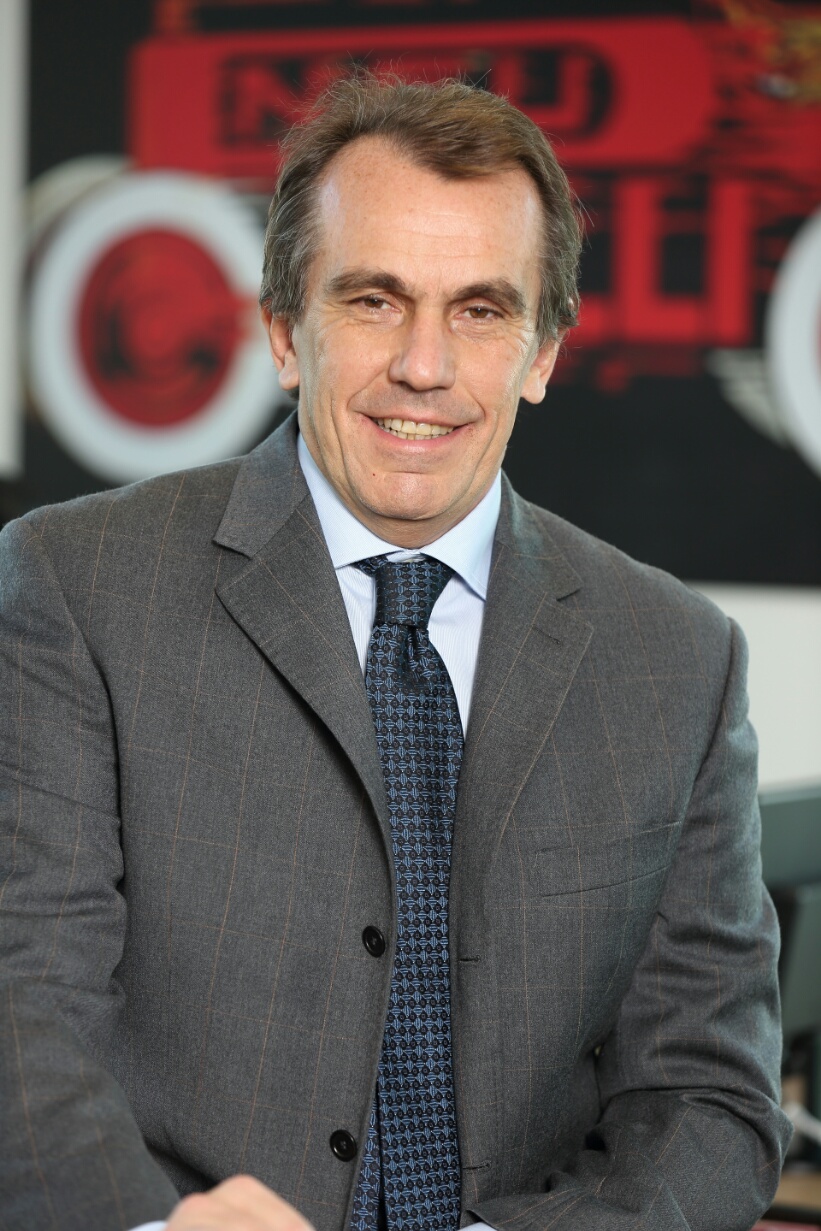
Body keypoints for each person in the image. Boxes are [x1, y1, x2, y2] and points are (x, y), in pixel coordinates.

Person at [0, 74, 790, 1231]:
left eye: (479, 311)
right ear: (284, 332)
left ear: (541, 353)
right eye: (374, 300)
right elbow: (21, 1011)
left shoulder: (675, 658)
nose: (424, 366)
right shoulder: (78, 584)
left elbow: (707, 1098)